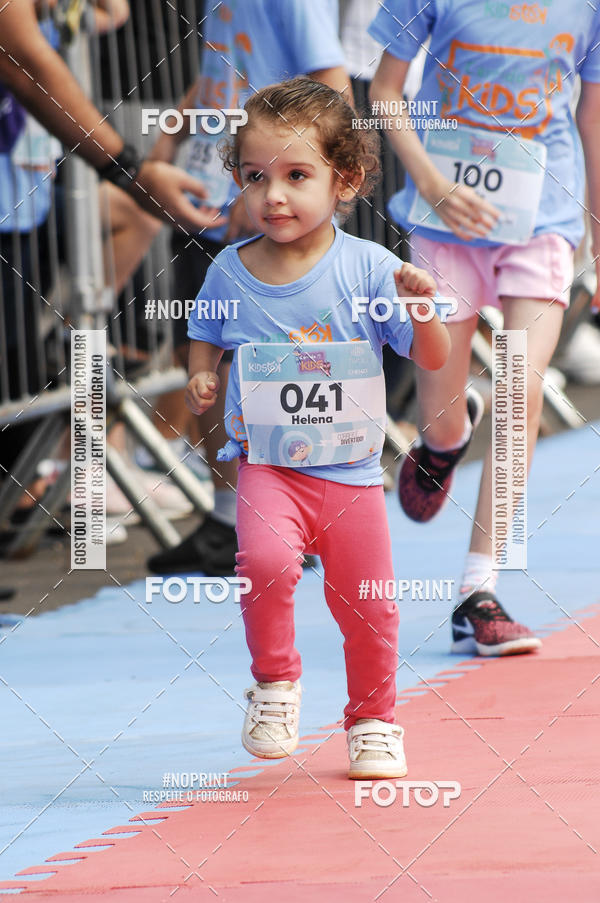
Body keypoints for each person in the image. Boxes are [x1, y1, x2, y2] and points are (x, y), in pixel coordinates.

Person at [184, 77, 450, 778]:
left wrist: (422, 312)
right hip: (268, 465)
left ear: (347, 180)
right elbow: (205, 329)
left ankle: (373, 720)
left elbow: (430, 358)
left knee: (369, 606)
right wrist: (202, 372)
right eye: (255, 176)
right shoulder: (229, 271)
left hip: (354, 477)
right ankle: (275, 683)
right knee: (264, 565)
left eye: (297, 175)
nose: (273, 194)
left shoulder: (371, 268)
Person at [368, 2, 600, 656]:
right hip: (448, 219)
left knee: (522, 388)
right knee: (440, 415)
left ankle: (479, 591)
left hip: (542, 215)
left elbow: (593, 111)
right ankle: (444, 439)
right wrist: (432, 183)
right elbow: (385, 92)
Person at [146, 0, 352, 576]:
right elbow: (220, 75)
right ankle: (228, 516)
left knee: (272, 362)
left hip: (254, 212)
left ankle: (285, 518)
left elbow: (333, 94)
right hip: (209, 201)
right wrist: (169, 136)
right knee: (211, 357)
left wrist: (262, 190)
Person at [0, 0, 225, 232]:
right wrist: (132, 171)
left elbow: (113, 12)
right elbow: (23, 64)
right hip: (15, 194)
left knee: (140, 219)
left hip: (28, 199)